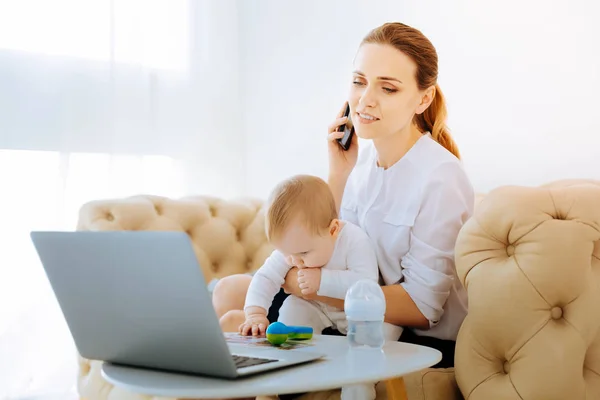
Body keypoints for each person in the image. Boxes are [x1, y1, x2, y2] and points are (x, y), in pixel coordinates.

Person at [213, 21, 474, 378]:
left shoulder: (440, 177)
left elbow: (422, 307)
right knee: (229, 294)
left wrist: (300, 282)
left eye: (389, 88)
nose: (366, 99)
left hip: (414, 333)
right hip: (353, 304)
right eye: (359, 81)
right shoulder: (362, 163)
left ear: (423, 98)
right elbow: (327, 242)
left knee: (233, 315)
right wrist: (338, 173)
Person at [239, 174, 402, 400]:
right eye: (287, 255)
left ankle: (358, 384)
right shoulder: (294, 248)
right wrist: (255, 313)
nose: (295, 262)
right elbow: (265, 277)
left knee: (378, 340)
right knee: (292, 307)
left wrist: (322, 280)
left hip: (363, 317)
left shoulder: (354, 240)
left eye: (304, 254)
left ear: (333, 230)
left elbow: (365, 283)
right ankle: (291, 367)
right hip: (320, 310)